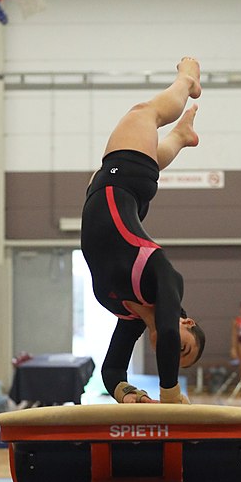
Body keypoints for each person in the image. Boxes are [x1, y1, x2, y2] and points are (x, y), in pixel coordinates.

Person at [81, 57, 205, 404]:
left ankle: (180, 136)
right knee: (145, 113)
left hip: (119, 193)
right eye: (183, 347)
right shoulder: (162, 276)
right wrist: (169, 392)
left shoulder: (130, 316)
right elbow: (166, 331)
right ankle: (187, 80)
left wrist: (126, 392)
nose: (169, 350)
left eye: (175, 358)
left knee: (144, 138)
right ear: (187, 322)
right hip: (121, 183)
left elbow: (111, 370)